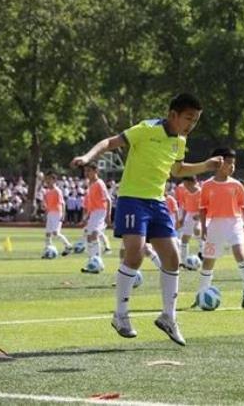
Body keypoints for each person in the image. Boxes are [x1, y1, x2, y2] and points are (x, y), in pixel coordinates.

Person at [71, 93, 222, 346]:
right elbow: (110, 142)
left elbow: (177, 170)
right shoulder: (145, 128)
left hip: (157, 201)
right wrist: (88, 157)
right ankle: (120, 315)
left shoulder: (180, 141)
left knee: (173, 257)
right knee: (136, 253)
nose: (191, 125)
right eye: (188, 118)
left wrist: (205, 165)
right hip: (132, 199)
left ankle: (168, 317)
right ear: (173, 114)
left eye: (195, 120)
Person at [196, 148, 244, 308]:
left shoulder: (237, 185)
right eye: (228, 163)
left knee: (239, 253)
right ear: (218, 164)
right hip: (215, 224)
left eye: (233, 164)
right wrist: (204, 227)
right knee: (208, 261)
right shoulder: (207, 186)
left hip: (234, 223)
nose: (232, 167)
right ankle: (202, 292)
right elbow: (203, 208)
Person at [80, 164, 112, 272]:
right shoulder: (90, 184)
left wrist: (108, 215)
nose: (86, 173)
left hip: (101, 212)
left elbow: (108, 200)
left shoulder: (100, 183)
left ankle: (99, 262)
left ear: (95, 171)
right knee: (89, 237)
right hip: (93, 213)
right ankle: (91, 262)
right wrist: (87, 216)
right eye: (85, 171)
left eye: (88, 171)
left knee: (94, 235)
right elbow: (90, 203)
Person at [42, 171, 73, 257]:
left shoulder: (57, 191)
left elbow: (62, 203)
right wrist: (45, 212)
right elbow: (46, 205)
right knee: (48, 233)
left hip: (57, 213)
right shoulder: (47, 192)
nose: (47, 181)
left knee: (55, 232)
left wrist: (63, 214)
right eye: (46, 179)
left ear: (54, 180)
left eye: (49, 179)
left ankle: (68, 245)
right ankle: (47, 249)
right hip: (50, 213)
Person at [177, 176, 202, 266]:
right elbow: (184, 207)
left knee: (197, 230)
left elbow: (205, 206)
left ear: (192, 182)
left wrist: (199, 215)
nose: (184, 185)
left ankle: (202, 253)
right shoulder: (186, 193)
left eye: (186, 183)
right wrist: (182, 219)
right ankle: (183, 261)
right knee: (184, 238)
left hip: (200, 215)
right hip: (189, 215)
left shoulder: (200, 192)